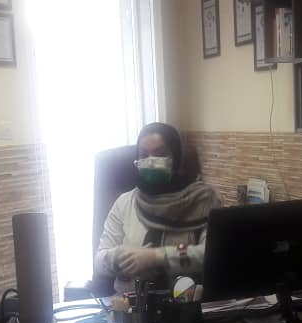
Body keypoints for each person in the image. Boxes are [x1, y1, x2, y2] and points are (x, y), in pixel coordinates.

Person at [95, 123, 222, 293]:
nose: (151, 161)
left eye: (160, 154)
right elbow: (99, 261)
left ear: (177, 159)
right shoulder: (125, 202)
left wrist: (156, 257)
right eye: (143, 155)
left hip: (184, 301)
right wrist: (120, 256)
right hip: (130, 303)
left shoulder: (202, 201)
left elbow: (211, 254)